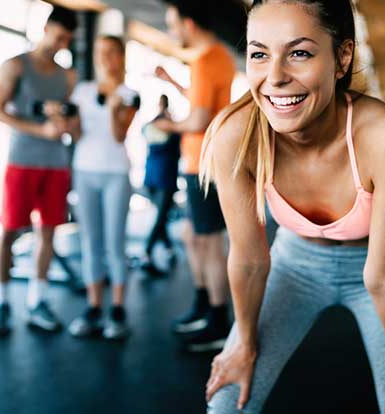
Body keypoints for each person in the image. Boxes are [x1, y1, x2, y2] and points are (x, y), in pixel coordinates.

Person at [200, 1, 385, 413]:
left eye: (299, 53)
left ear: (341, 57)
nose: (275, 77)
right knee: (226, 404)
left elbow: (383, 275)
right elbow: (249, 261)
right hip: (293, 265)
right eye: (259, 54)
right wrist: (242, 343)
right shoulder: (235, 135)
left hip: (380, 267)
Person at [0, 6, 80, 337]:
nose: (63, 44)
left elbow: (69, 118)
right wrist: (40, 131)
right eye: (60, 36)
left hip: (55, 164)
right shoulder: (14, 66)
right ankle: (0, 303)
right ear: (47, 28)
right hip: (22, 161)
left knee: (49, 233)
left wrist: (65, 123)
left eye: (68, 40)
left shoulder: (67, 76)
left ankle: (37, 301)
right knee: (9, 231)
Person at [154, 1, 237, 352]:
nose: (172, 31)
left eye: (173, 24)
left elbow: (199, 120)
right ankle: (204, 308)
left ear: (188, 23)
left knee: (210, 241)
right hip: (202, 163)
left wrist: (166, 125)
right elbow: (204, 103)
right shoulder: (216, 57)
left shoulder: (204, 61)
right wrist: (172, 81)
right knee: (194, 236)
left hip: (204, 164)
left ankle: (218, 321)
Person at [67, 36, 140, 339]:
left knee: (114, 243)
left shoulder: (129, 94)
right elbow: (76, 132)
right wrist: (65, 119)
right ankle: (95, 306)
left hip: (115, 173)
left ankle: (118, 310)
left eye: (111, 53)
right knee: (90, 242)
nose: (105, 59)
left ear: (121, 57)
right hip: (84, 170)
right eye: (100, 53)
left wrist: (112, 109)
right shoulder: (82, 91)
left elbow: (119, 135)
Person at [141, 95, 181, 273]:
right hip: (163, 175)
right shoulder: (168, 125)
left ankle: (167, 248)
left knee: (161, 215)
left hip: (153, 174)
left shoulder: (153, 125)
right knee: (161, 216)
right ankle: (147, 251)